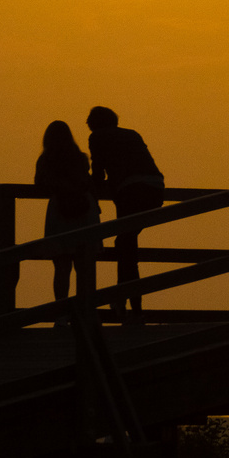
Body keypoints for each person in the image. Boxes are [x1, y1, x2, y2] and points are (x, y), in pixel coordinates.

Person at [86, 106, 164, 317]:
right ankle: (128, 302)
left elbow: (98, 173)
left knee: (125, 244)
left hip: (130, 191)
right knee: (126, 242)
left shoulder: (97, 137)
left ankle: (127, 303)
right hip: (156, 189)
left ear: (94, 123)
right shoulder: (132, 134)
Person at [34, 120, 99, 302]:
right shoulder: (80, 158)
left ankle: (61, 313)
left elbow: (39, 184)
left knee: (62, 266)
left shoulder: (46, 159)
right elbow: (88, 182)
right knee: (84, 265)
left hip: (60, 209)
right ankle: (85, 310)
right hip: (85, 207)